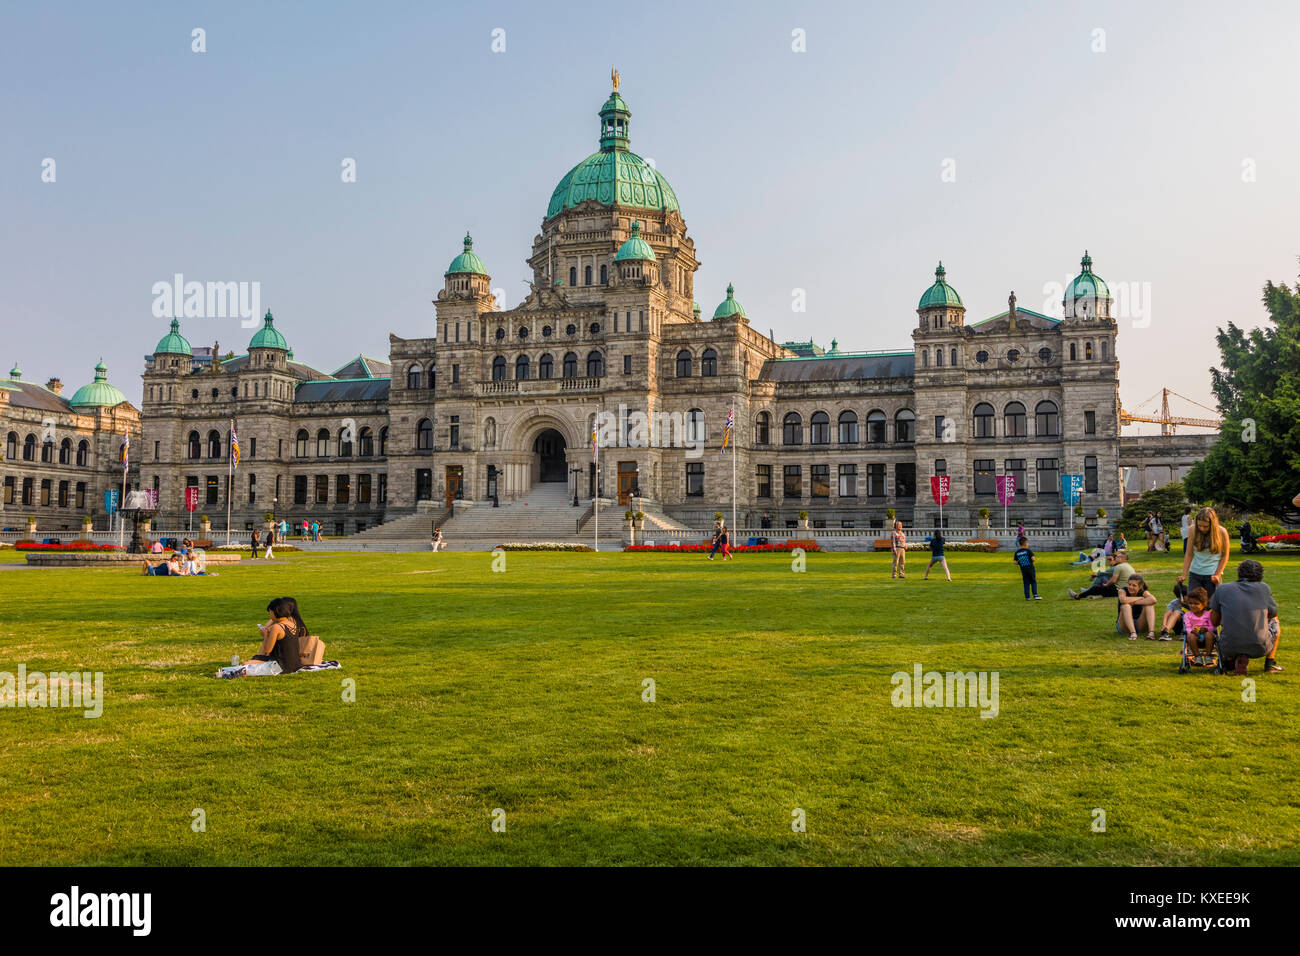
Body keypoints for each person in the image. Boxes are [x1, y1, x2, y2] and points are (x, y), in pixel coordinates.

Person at [1212, 560, 1282, 674]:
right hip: (1259, 647)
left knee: (1228, 621)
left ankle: (1231, 658)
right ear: (1260, 575)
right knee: (1275, 620)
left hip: (1228, 645)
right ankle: (1270, 663)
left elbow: (1214, 621)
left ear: (1239, 573)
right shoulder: (1263, 588)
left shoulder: (1222, 589)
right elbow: (1273, 613)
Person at [250, 597, 312, 675]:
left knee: (247, 664)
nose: (269, 615)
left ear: (274, 612)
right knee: (252, 662)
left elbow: (267, 650)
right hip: (295, 664)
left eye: (270, 612)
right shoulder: (292, 624)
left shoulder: (276, 627)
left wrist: (266, 636)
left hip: (281, 666)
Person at [1178, 507, 1230, 599]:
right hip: (1195, 574)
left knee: (1211, 606)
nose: (1202, 529)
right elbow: (1189, 553)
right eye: (1199, 526)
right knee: (1194, 604)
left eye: (1205, 526)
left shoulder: (1222, 532)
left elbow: (1225, 556)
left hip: (1212, 575)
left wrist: (1217, 574)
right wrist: (1184, 574)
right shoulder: (1192, 530)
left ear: (1213, 524)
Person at [1070, 549, 1135, 599]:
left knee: (1096, 588)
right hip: (1127, 591)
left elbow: (1113, 581)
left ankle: (1077, 596)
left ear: (1121, 559)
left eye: (1117, 557)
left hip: (1119, 591)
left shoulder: (1119, 567)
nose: (1116, 558)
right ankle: (1094, 595)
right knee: (1102, 589)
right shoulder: (1129, 566)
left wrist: (1106, 585)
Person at [1116, 573, 1156, 640]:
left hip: (1139, 623)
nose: (1131, 587)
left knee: (1149, 605)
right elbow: (1123, 600)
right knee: (1126, 606)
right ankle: (1133, 633)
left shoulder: (1143, 592)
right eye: (1129, 584)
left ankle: (1151, 633)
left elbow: (1153, 600)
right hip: (1124, 625)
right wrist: (1140, 598)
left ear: (1140, 587)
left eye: (1134, 585)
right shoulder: (1123, 591)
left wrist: (1134, 602)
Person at [1180, 587, 1215, 664]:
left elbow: (1212, 627)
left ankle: (1208, 656)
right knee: (1190, 636)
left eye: (1196, 604)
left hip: (1207, 638)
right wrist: (1192, 631)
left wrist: (1206, 629)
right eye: (1190, 603)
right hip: (1194, 638)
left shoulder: (1208, 614)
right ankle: (1197, 657)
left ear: (1204, 604)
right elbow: (1187, 627)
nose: (1193, 606)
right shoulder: (1187, 615)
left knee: (1209, 634)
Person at [1013, 535, 1040, 600]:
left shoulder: (1017, 552)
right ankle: (1035, 595)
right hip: (1030, 568)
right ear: (1025, 543)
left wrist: (1021, 563)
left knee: (1026, 583)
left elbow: (1015, 562)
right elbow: (1033, 559)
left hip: (1023, 570)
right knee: (1033, 581)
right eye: (1027, 543)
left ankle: (1027, 597)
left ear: (1019, 544)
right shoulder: (1028, 551)